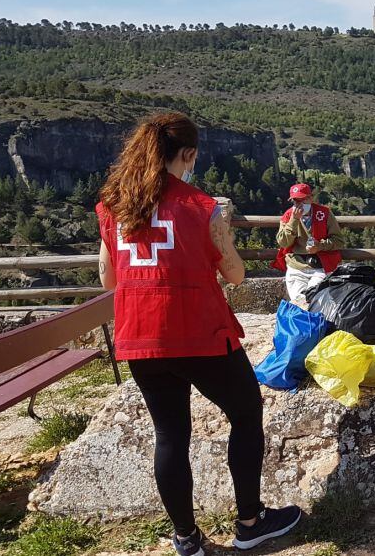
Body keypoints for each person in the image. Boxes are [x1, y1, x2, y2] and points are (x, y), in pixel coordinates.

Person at [96, 112, 301, 556]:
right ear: (188, 155)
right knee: (245, 411)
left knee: (170, 433)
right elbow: (236, 274)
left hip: (140, 335)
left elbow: (109, 280)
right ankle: (250, 521)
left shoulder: (115, 207)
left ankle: (187, 538)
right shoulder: (203, 208)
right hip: (199, 332)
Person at [271, 183, 344, 303]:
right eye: (296, 201)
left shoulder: (324, 213)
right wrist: (293, 221)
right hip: (296, 266)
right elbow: (283, 243)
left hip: (320, 266)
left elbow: (339, 241)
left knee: (315, 299)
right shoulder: (288, 216)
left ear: (310, 198)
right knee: (299, 301)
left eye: (303, 200)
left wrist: (320, 246)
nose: (299, 204)